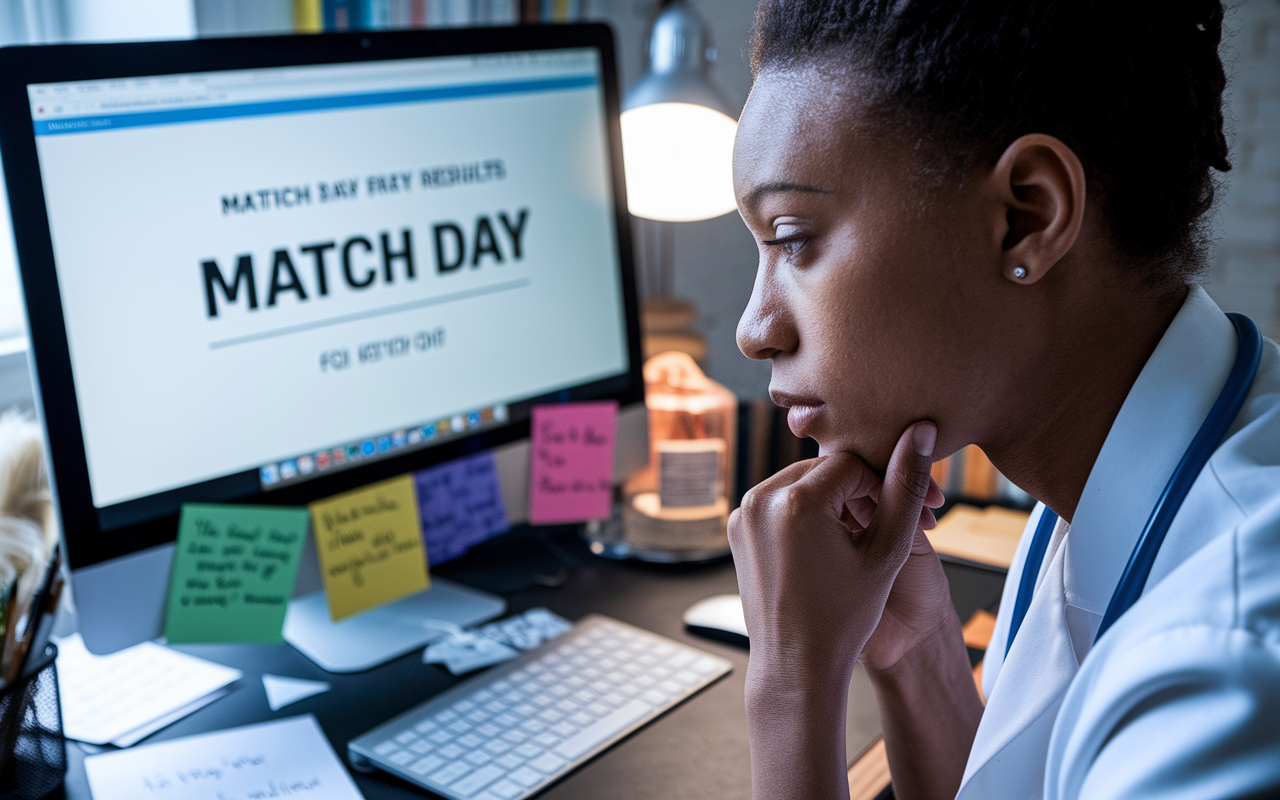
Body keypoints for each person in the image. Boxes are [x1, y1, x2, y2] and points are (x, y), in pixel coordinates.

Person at [727, 1, 1280, 798]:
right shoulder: (1096, 464)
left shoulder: (1226, 677)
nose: (756, 328)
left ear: (1028, 216)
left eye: (792, 238)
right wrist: (914, 653)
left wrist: (789, 691)